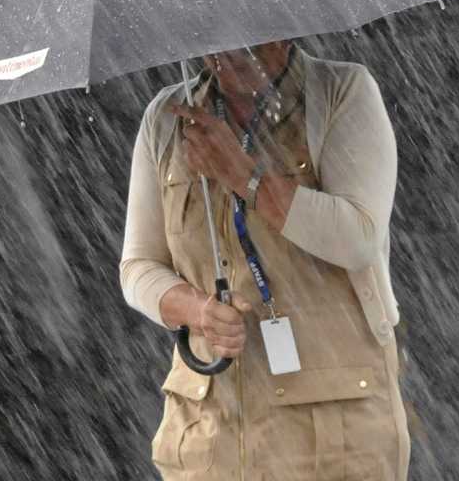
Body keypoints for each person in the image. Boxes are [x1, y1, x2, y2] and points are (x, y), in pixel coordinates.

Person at [120, 39, 410, 480]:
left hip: (332, 434)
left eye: (247, 38)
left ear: (285, 26)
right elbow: (137, 267)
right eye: (214, 35)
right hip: (210, 432)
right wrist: (198, 312)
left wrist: (244, 175)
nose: (231, 51)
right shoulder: (166, 119)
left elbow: (359, 238)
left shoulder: (342, 92)